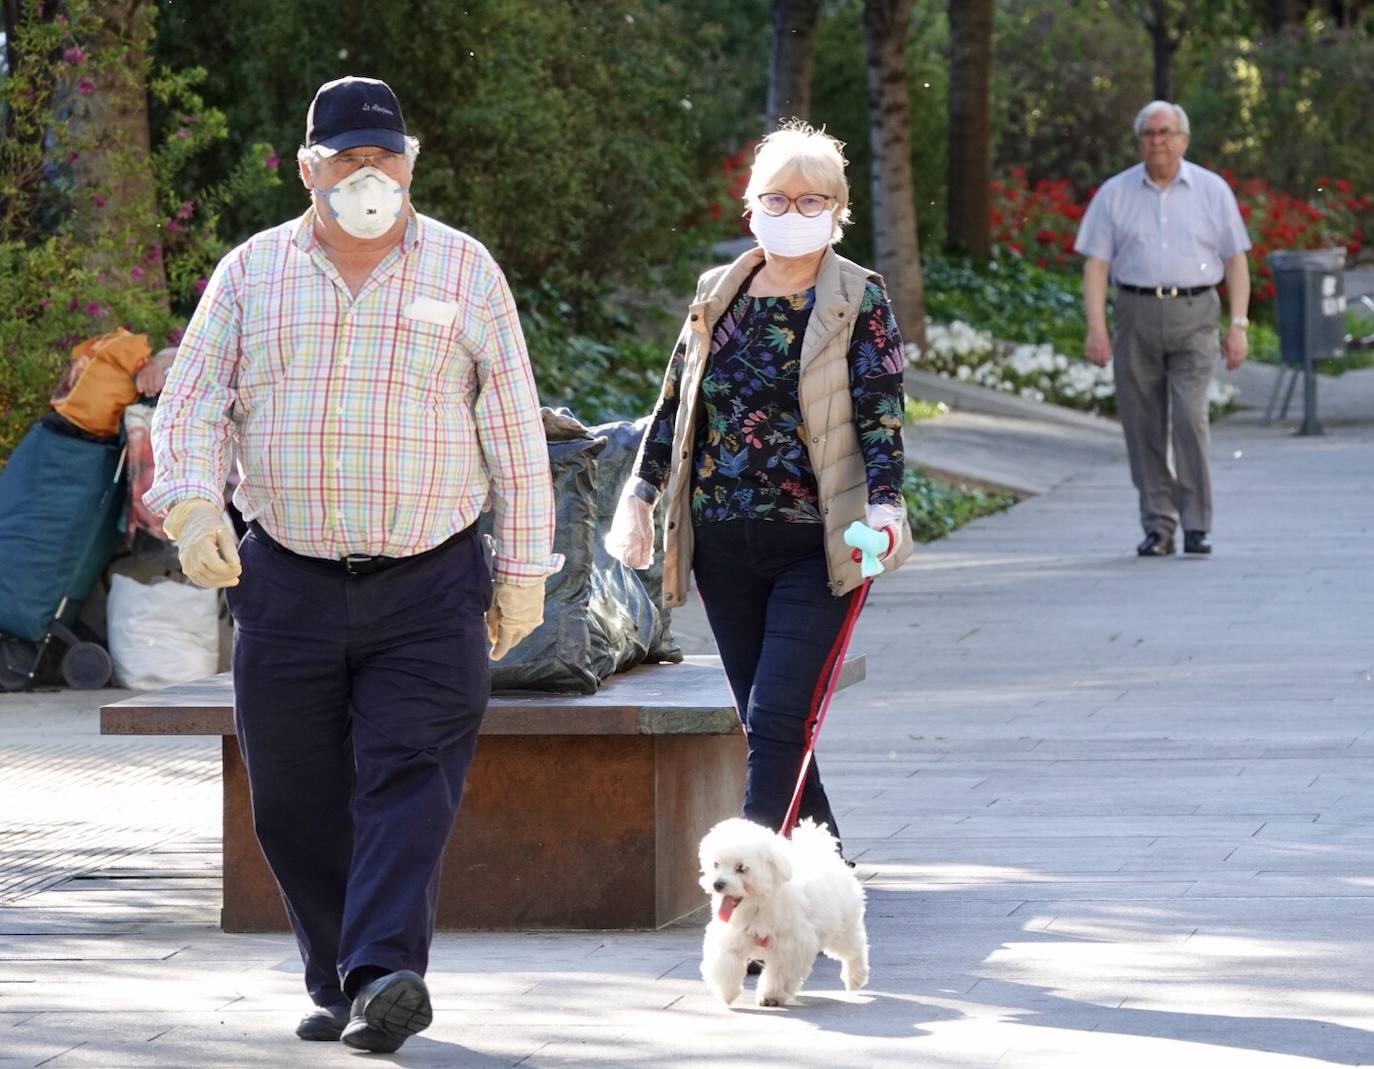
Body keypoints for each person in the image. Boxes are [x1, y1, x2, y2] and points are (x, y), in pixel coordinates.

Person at [144, 76, 559, 1053]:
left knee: (408, 779)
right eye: (347, 159)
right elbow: (193, 405)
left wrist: (526, 570)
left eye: (386, 157)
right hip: (284, 575)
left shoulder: (465, 271)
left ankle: (383, 975)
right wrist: (196, 501)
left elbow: (515, 435)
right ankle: (338, 976)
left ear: (412, 162)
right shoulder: (251, 274)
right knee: (290, 796)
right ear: (307, 168)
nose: (369, 175)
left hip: (431, 579)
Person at [606, 120, 911, 856]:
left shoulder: (857, 298)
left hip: (819, 543)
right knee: (765, 717)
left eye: (813, 200)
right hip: (722, 542)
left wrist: (887, 505)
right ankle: (824, 860)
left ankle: (749, 894)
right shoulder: (720, 292)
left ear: (837, 210)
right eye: (779, 196)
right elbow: (676, 405)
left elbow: (880, 413)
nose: (794, 210)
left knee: (777, 716)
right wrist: (638, 496)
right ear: (751, 207)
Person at [1075, 100, 1252, 557]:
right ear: (1140, 141)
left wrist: (1238, 325)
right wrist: (1096, 328)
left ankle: (1197, 523)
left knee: (1190, 419)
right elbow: (1096, 266)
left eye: (1167, 132)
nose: (1159, 140)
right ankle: (1158, 525)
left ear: (1184, 139)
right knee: (1143, 424)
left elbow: (1236, 260)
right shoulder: (1114, 194)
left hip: (1197, 314)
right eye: (1150, 133)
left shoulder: (1212, 191)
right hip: (1135, 312)